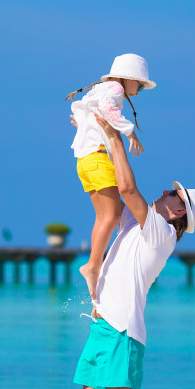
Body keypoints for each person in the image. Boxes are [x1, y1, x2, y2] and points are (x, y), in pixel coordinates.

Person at [74, 113, 195, 389]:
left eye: (172, 194)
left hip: (124, 334)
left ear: (177, 212)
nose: (165, 192)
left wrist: (115, 132)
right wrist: (92, 132)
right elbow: (116, 185)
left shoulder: (161, 234)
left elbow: (129, 187)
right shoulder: (137, 221)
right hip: (101, 328)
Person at [66, 53, 155, 299]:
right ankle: (93, 266)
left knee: (104, 216)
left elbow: (90, 114)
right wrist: (130, 133)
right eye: (139, 85)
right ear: (128, 79)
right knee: (113, 214)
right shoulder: (114, 88)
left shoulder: (101, 89)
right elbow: (106, 108)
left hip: (84, 162)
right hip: (97, 158)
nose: (138, 91)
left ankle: (95, 265)